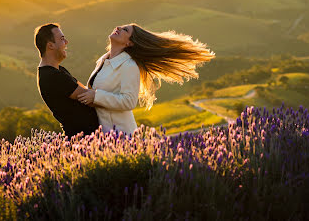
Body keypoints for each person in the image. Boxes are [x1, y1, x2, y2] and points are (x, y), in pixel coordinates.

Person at [78, 23, 215, 135]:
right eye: (121, 26)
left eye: (125, 29)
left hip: (121, 135)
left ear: (129, 43)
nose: (118, 27)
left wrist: (96, 97)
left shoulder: (129, 66)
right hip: (103, 133)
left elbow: (129, 101)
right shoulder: (103, 60)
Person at [34, 23, 99, 137]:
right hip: (83, 141)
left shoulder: (58, 71)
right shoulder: (52, 76)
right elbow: (91, 99)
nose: (66, 42)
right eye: (62, 39)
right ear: (50, 45)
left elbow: (87, 91)